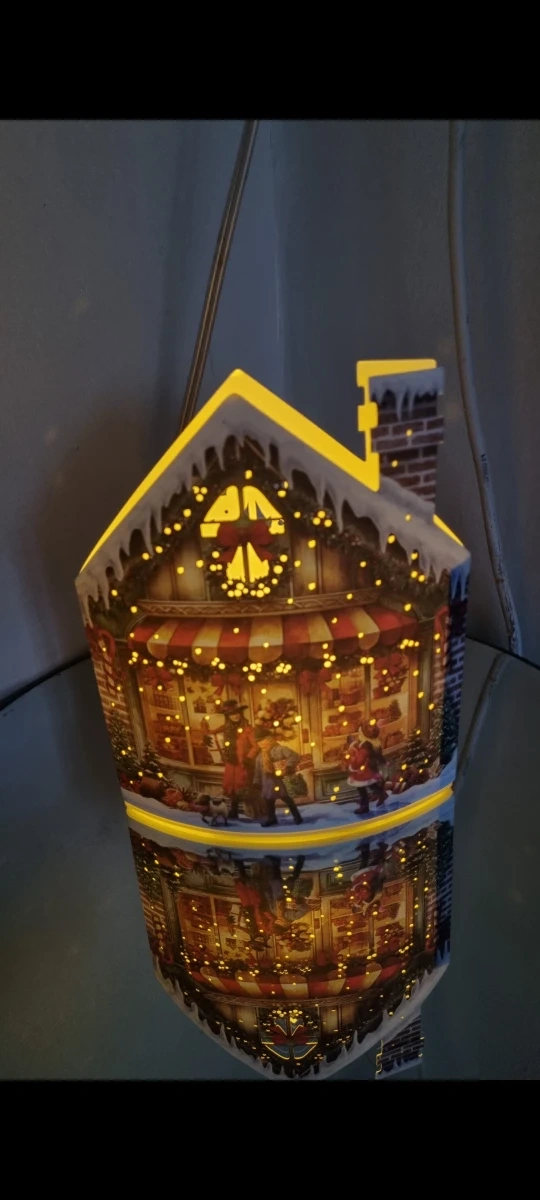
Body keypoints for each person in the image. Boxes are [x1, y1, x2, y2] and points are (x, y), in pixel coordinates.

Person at [253, 726, 304, 826]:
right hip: (267, 783)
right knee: (268, 801)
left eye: (262, 740)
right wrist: (256, 782)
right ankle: (272, 818)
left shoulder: (280, 749)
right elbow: (258, 771)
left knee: (287, 798)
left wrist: (288, 766)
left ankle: (297, 817)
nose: (260, 743)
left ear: (269, 739)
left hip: (280, 781)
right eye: (258, 742)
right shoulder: (260, 756)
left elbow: (294, 756)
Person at [218, 700, 258, 819]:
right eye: (232, 714)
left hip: (243, 764)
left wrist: (249, 758)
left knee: (243, 786)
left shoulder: (248, 729)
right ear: (228, 716)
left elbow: (256, 746)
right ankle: (234, 811)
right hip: (231, 763)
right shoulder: (227, 729)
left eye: (237, 713)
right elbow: (211, 733)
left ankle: (252, 812)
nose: (235, 716)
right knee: (231, 787)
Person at [346, 721, 386, 815]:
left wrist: (353, 762)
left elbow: (360, 759)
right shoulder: (373, 743)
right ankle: (381, 794)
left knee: (361, 788)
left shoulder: (366, 745)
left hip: (364, 771)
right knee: (371, 784)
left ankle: (364, 806)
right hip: (369, 769)